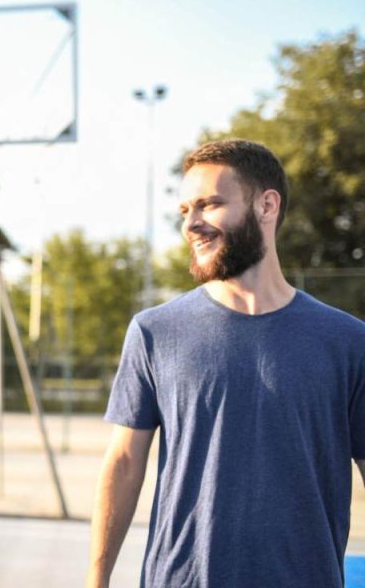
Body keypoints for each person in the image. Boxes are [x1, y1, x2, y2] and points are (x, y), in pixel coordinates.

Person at [87, 139, 365, 587]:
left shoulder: (348, 343)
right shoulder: (154, 332)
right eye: (185, 211)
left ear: (266, 206)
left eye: (210, 204)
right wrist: (95, 581)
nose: (192, 224)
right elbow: (123, 462)